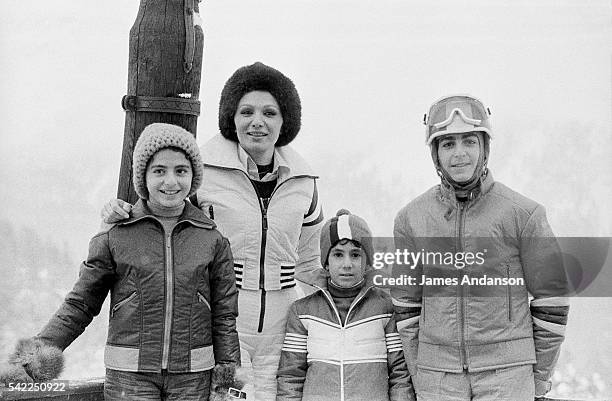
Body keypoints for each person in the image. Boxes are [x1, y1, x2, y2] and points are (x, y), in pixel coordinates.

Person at [102, 62, 323, 400]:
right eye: (246, 111)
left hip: (283, 323)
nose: (257, 122)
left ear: (285, 119)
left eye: (270, 112)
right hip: (220, 322)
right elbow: (155, 220)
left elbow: (311, 264)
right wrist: (113, 215)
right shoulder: (200, 171)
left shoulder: (304, 181)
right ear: (231, 118)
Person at [2, 123, 240, 400]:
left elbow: (224, 315)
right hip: (130, 377)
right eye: (159, 170)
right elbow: (80, 304)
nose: (171, 182)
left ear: (193, 176)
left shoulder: (211, 239)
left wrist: (226, 377)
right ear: (143, 176)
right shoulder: (116, 234)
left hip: (193, 377)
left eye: (181, 170)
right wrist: (32, 361)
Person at [391, 94, 569, 400]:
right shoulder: (411, 219)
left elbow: (552, 303)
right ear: (435, 154)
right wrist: (421, 374)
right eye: (448, 143)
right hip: (439, 379)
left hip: (508, 375)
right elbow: (406, 306)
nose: (459, 153)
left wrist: (537, 380)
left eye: (469, 142)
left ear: (484, 148)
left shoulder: (523, 215)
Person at [276, 210, 416, 401]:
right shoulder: (303, 312)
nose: (347, 264)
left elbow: (400, 375)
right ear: (326, 262)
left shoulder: (385, 309)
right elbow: (291, 377)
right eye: (338, 255)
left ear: (367, 262)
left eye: (356, 255)